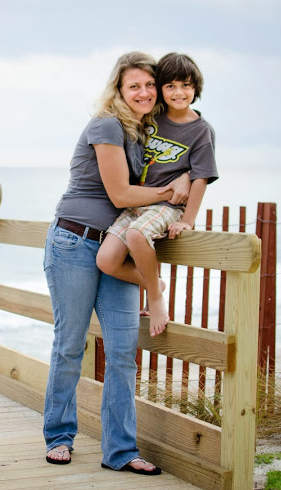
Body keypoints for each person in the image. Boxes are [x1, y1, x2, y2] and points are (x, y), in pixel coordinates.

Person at [43, 51, 191, 474]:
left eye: (150, 85)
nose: (143, 92)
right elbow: (122, 196)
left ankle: (121, 451)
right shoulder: (106, 124)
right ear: (119, 90)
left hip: (117, 245)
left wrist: (184, 183)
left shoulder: (149, 133)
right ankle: (59, 436)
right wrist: (170, 193)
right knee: (70, 345)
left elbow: (181, 169)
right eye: (134, 86)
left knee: (123, 352)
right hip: (74, 242)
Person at [95, 52, 218, 338]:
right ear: (161, 88)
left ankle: (155, 298)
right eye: (171, 86)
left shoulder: (201, 131)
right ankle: (156, 284)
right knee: (106, 260)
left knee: (138, 236)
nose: (179, 92)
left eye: (186, 85)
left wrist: (188, 219)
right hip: (139, 201)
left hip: (168, 205)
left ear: (196, 88)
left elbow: (202, 177)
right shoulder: (152, 118)